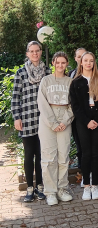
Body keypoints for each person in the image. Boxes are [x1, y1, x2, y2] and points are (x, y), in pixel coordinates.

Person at [11, 41, 51, 202]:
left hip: (43, 119)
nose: (35, 53)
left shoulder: (48, 72)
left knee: (41, 154)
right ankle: (29, 188)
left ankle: (40, 186)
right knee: (28, 155)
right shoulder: (21, 73)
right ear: (27, 54)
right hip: (27, 119)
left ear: (41, 52)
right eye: (31, 51)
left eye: (37, 51)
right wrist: (16, 118)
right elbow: (15, 98)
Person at [70, 51, 98, 200]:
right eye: (85, 60)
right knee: (85, 153)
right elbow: (76, 106)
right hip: (83, 122)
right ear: (81, 63)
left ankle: (95, 185)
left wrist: (97, 120)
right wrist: (87, 121)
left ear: (94, 63)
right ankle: (86, 185)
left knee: (95, 153)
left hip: (97, 121)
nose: (88, 63)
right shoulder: (76, 82)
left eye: (91, 61)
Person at [37, 52, 74, 206]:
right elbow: (42, 103)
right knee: (48, 157)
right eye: (57, 62)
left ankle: (62, 189)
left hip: (64, 117)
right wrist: (53, 123)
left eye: (63, 63)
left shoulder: (70, 82)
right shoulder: (46, 81)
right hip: (48, 120)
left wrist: (65, 121)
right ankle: (50, 191)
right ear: (53, 63)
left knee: (63, 156)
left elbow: (74, 104)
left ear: (66, 64)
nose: (60, 65)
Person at [68, 48, 86, 172]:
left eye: (83, 56)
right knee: (79, 144)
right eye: (78, 57)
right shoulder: (70, 74)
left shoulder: (93, 75)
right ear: (75, 58)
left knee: (88, 145)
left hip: (87, 115)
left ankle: (90, 171)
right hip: (73, 115)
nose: (80, 59)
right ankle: (82, 170)